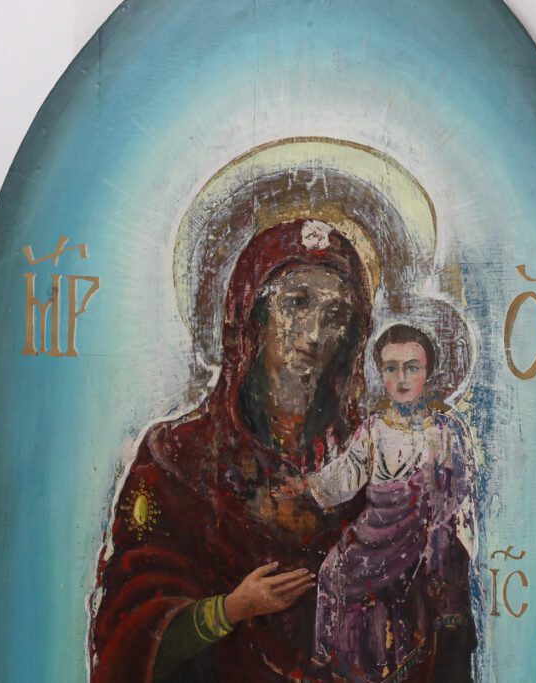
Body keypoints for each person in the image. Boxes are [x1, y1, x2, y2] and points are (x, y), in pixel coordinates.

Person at [90, 219, 375, 682]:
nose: (313, 334)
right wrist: (229, 610)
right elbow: (130, 627)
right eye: (297, 303)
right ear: (253, 314)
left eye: (336, 315)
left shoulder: (375, 459)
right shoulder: (176, 458)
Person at [305, 324, 479, 682]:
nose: (401, 379)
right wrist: (307, 485)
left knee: (403, 593)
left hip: (425, 538)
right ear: (380, 373)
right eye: (391, 368)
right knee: (332, 572)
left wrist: (440, 544)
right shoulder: (373, 429)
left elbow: (458, 497)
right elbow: (346, 476)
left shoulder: (445, 432)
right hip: (374, 533)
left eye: (412, 367)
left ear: (427, 372)